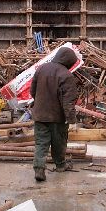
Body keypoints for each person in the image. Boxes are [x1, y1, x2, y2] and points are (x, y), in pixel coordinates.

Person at [30, 46, 79, 183]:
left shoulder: (42, 68)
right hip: (57, 117)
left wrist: (39, 104)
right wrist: (72, 121)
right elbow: (68, 102)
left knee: (41, 143)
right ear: (69, 62)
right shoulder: (66, 75)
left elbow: (32, 91)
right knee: (59, 142)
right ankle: (60, 165)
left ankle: (39, 168)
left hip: (40, 115)